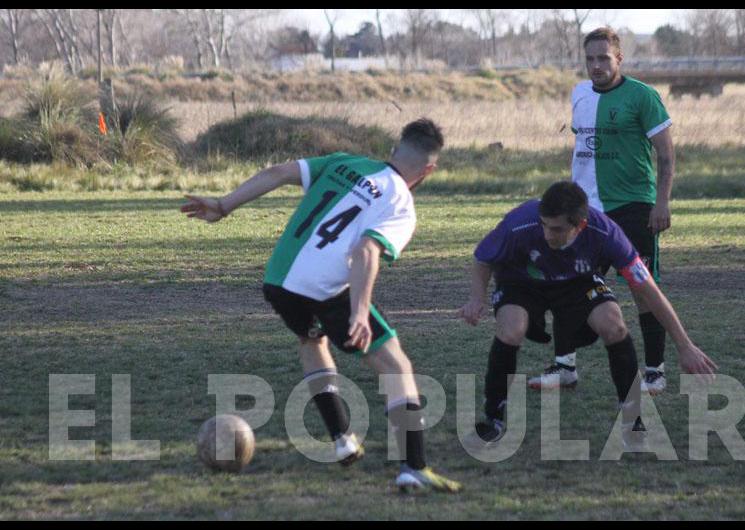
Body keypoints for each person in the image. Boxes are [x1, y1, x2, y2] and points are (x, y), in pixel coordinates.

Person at [181, 118, 461, 493]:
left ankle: (342, 438)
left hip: (279, 279)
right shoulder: (401, 204)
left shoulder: (344, 163)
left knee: (312, 341)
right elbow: (365, 250)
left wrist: (223, 204)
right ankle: (414, 467)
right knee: (397, 367)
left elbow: (277, 172)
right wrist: (360, 311)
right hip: (324, 289)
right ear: (429, 170)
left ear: (394, 150)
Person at [459, 181, 716, 446]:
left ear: (579, 225)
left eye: (557, 229)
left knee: (614, 324)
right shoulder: (520, 222)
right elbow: (482, 258)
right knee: (511, 328)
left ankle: (633, 419)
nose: (547, 235)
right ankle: (493, 420)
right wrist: (476, 298)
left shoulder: (605, 232)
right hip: (523, 282)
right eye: (544, 225)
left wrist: (685, 346)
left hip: (577, 282)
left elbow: (649, 291)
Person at [529, 27, 677, 396]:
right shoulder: (579, 94)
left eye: (603, 59)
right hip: (586, 211)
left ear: (619, 59)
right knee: (569, 282)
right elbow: (582, 149)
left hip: (633, 208)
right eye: (590, 59)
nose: (596, 66)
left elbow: (666, 155)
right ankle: (564, 367)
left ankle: (655, 371)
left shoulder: (642, 97)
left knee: (642, 288)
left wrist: (661, 202)